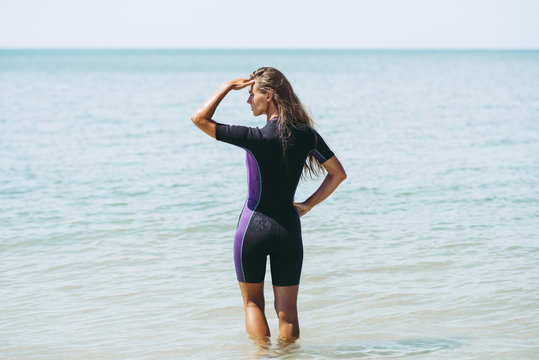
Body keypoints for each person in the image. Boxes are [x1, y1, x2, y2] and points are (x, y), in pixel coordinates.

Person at [191, 67, 346, 344]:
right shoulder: (307, 135)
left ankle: (262, 355)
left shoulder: (255, 138)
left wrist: (227, 86)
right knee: (288, 312)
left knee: (253, 305)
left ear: (269, 96)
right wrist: (307, 205)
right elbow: (338, 173)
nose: (248, 100)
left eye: (252, 95)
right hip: (288, 227)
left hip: (253, 228)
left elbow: (199, 118)